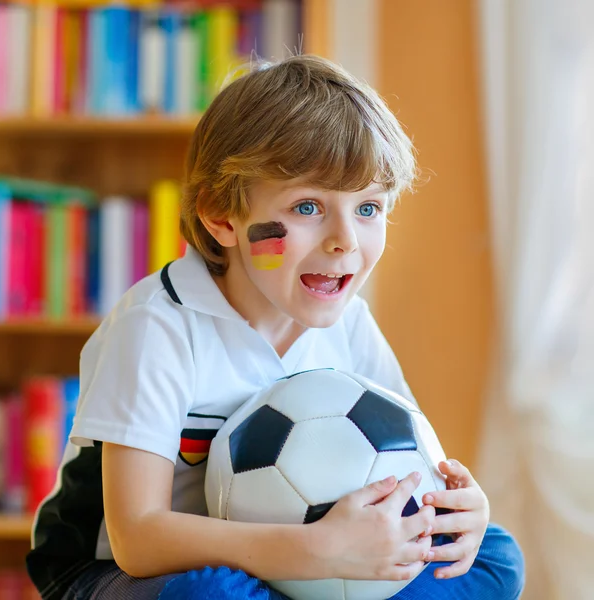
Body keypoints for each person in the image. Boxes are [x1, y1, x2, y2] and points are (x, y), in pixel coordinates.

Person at [26, 54, 524, 600]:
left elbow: (408, 470)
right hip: (123, 570)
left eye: (368, 208)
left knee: (495, 557)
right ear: (222, 217)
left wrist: (451, 514)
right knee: (210, 594)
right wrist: (315, 552)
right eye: (308, 206)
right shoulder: (158, 327)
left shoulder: (350, 322)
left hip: (297, 559)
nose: (346, 242)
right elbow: (138, 539)